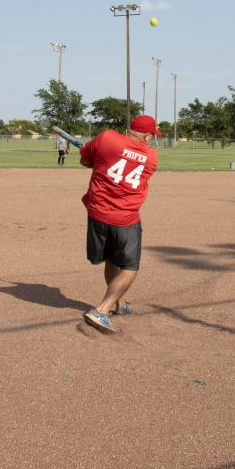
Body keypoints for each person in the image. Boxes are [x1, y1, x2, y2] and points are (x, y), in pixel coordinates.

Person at [79, 115, 160, 333]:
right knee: (129, 267)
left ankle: (119, 303)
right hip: (125, 217)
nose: (151, 140)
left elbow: (86, 161)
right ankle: (101, 310)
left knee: (110, 260)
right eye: (152, 136)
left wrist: (92, 151)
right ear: (146, 134)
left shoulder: (106, 138)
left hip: (97, 213)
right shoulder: (151, 156)